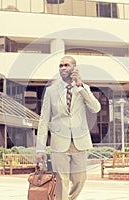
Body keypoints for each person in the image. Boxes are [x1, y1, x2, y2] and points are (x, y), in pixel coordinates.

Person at [36, 56, 101, 200]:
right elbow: (44, 120)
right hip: (59, 142)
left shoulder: (83, 88)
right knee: (61, 180)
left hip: (80, 142)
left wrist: (80, 86)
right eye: (60, 65)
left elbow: (96, 108)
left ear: (74, 68)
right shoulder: (51, 91)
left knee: (80, 179)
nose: (63, 68)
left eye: (66, 65)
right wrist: (40, 148)